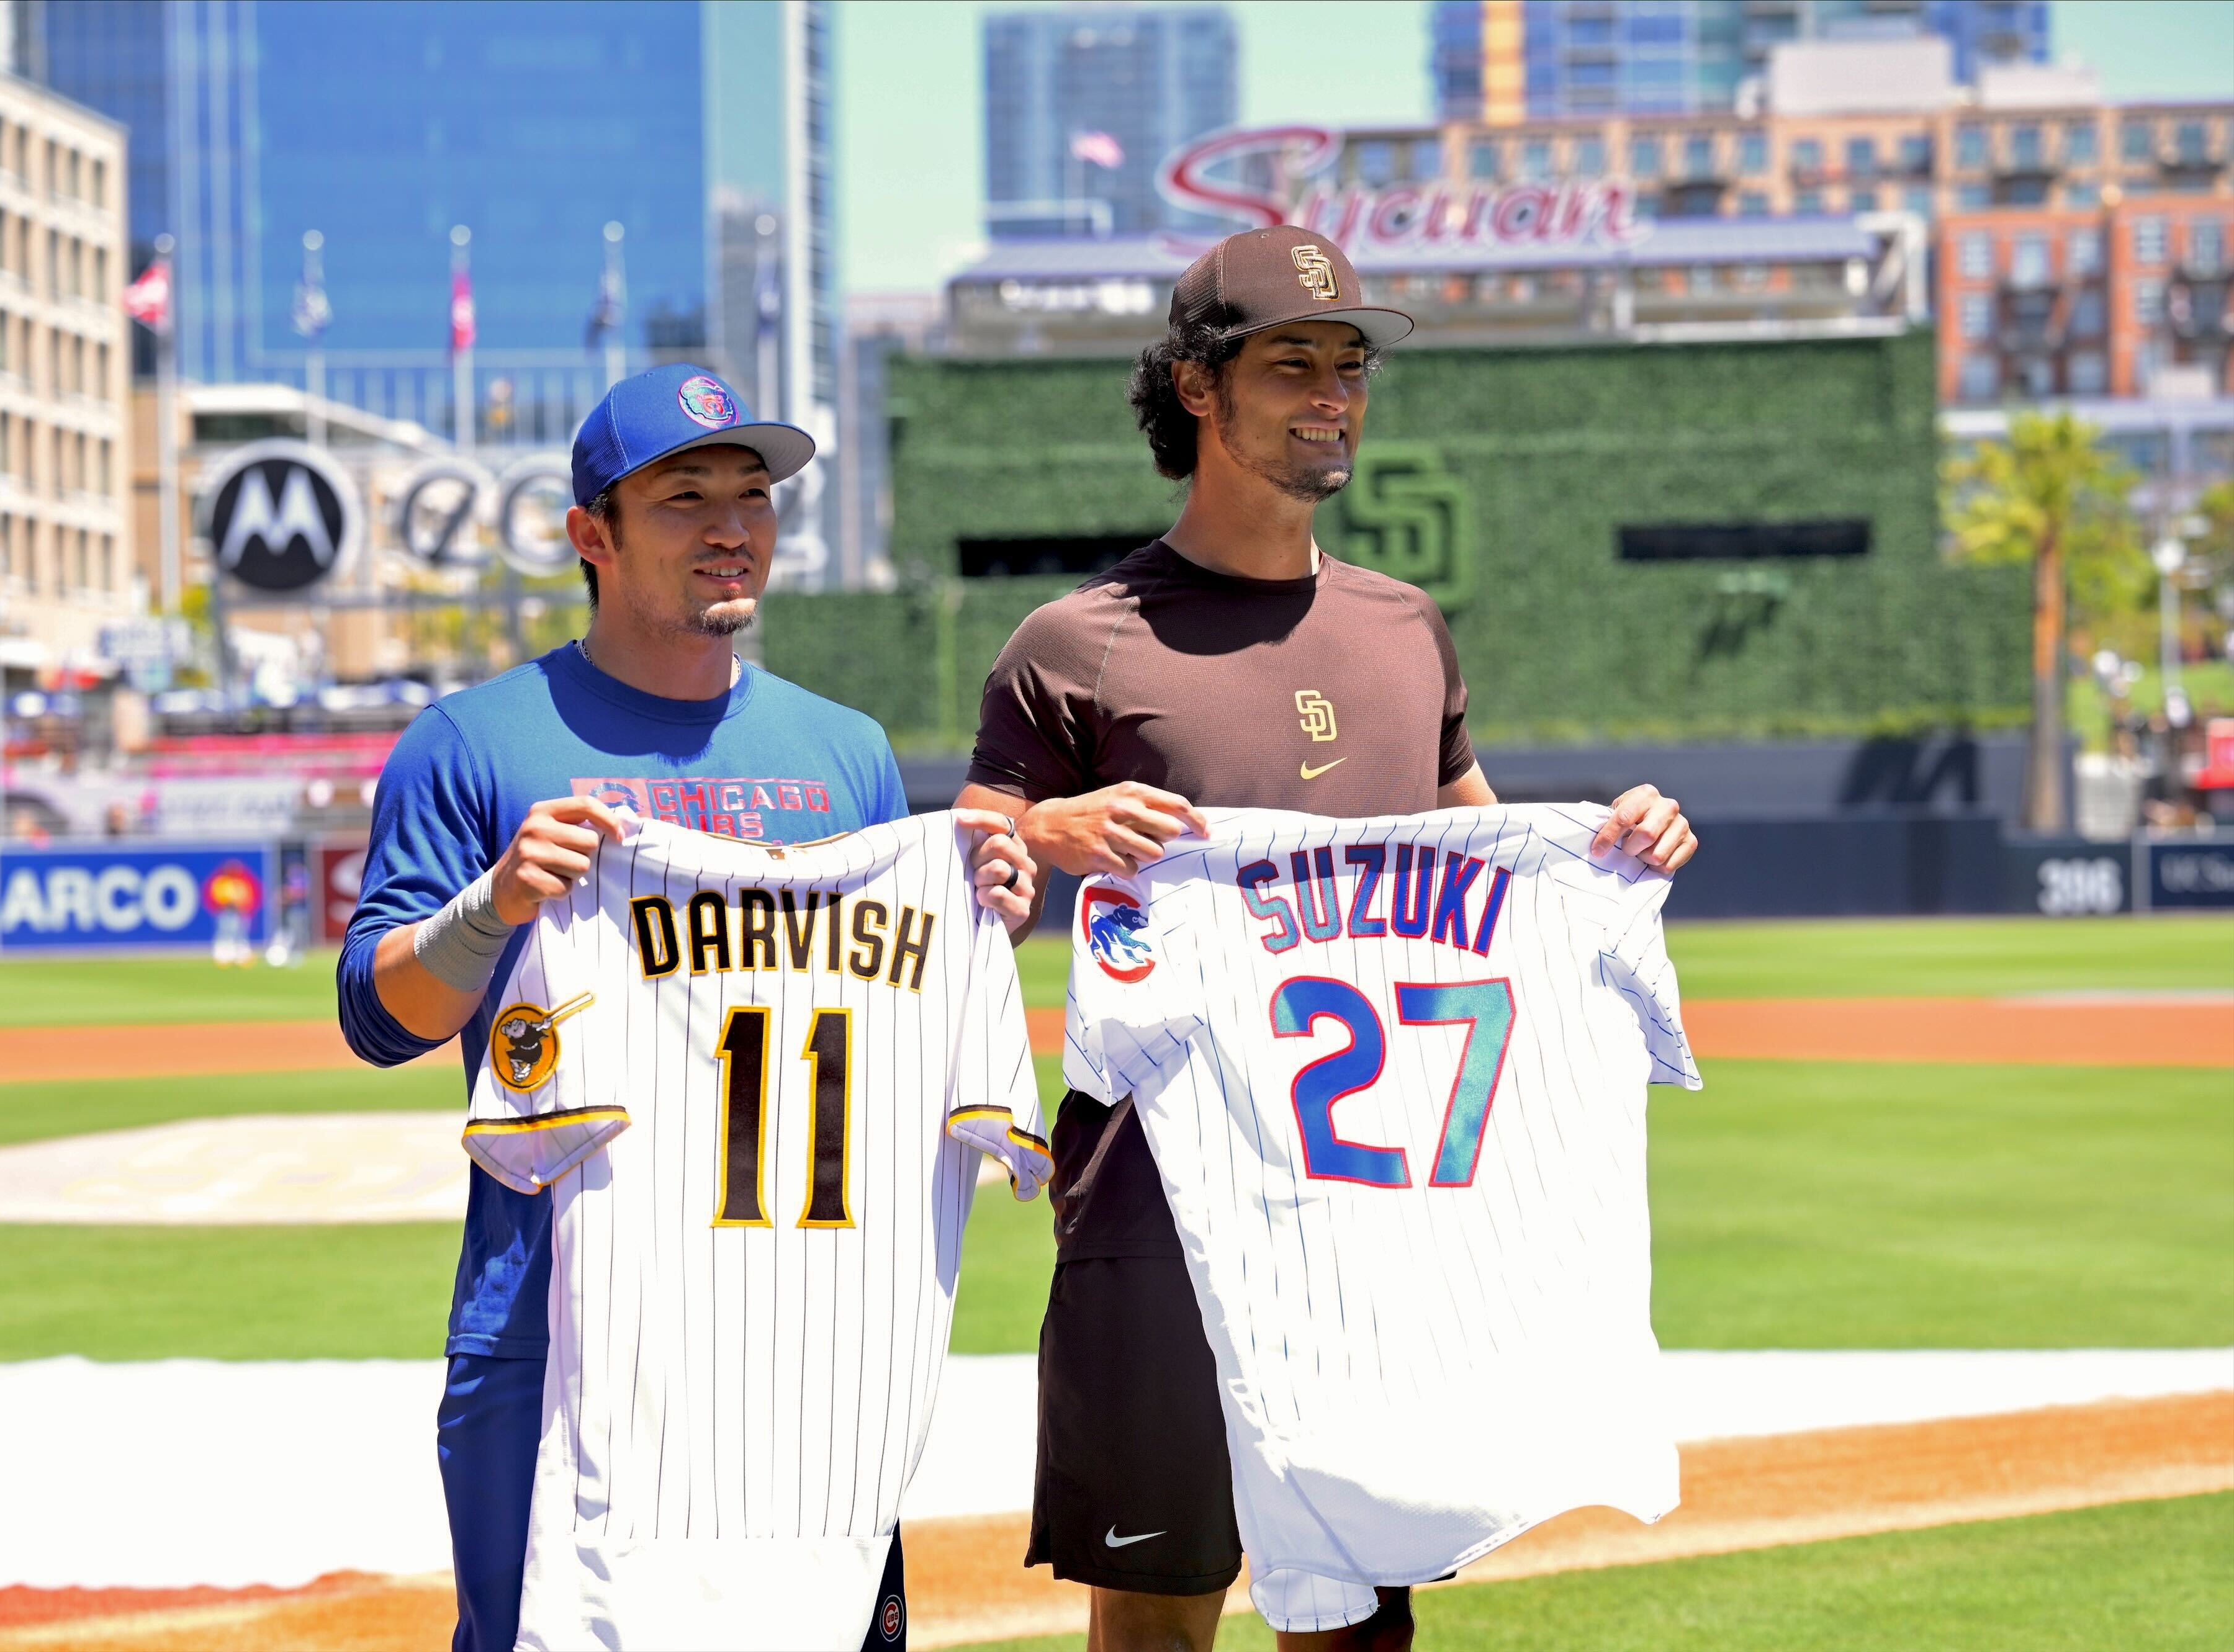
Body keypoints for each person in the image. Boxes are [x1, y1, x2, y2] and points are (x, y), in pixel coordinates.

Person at [955, 226, 1698, 1652]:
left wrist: (1613, 843)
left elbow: (1479, 858)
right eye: (1291, 361)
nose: (1332, 393)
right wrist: (1050, 829)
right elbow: (965, 857)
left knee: (1357, 1626)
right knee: (1157, 1619)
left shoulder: (1403, 625)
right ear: (1192, 387)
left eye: (1349, 364)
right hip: (1151, 1206)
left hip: (1369, 1219)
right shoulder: (1076, 641)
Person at [336, 362, 1034, 1652]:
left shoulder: (845, 752)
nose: (732, 525)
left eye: (754, 494)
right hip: (554, 1324)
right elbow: (380, 1017)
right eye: (685, 496)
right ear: (589, 535)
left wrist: (986, 901)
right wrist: (490, 905)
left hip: (809, 1334)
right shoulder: (474, 742)